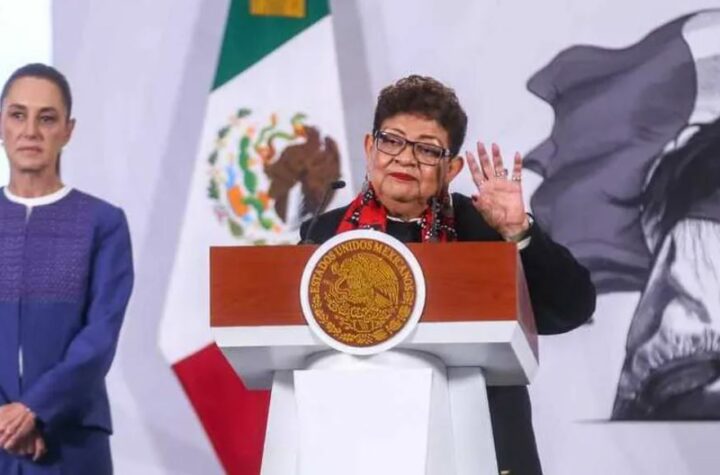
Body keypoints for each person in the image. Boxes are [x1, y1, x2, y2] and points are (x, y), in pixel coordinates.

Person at [300, 75, 596, 474]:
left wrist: (517, 231)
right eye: (392, 140)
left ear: (451, 168)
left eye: (426, 149)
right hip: (359, 439)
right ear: (370, 148)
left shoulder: (481, 225)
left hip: (478, 440)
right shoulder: (324, 235)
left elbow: (571, 308)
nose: (405, 158)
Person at [0, 63, 134, 474]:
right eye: (18, 115)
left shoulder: (103, 223)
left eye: (47, 118)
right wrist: (8, 421)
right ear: (1, 124)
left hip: (72, 443)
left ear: (68, 131)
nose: (30, 131)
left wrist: (35, 409)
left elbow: (100, 335)